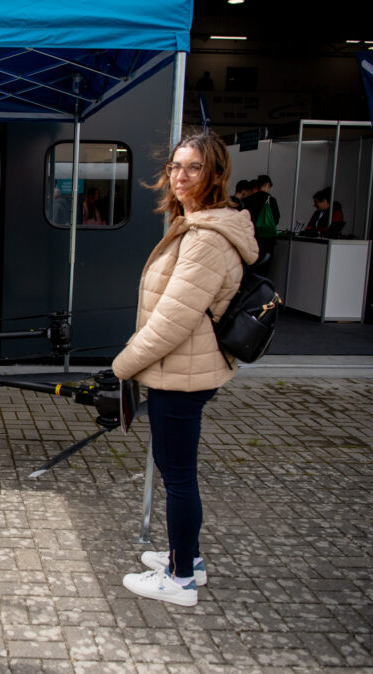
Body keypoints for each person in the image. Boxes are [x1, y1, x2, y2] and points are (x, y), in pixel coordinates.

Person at [113, 132, 258, 607]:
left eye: (193, 167)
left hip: (182, 372)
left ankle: (180, 580)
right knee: (175, 471)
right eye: (175, 166)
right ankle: (187, 557)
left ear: (215, 174)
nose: (179, 176)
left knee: (177, 477)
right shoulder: (197, 225)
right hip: (183, 369)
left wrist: (123, 365)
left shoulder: (206, 240)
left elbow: (172, 322)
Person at [242, 174, 280, 272]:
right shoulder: (271, 200)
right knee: (263, 270)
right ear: (267, 185)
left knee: (248, 269)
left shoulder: (247, 200)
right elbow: (276, 219)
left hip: (249, 238)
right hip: (266, 241)